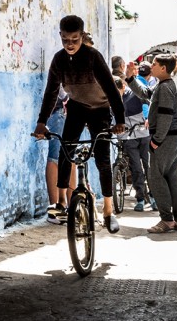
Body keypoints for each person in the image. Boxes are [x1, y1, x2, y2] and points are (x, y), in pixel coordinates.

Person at [33, 15, 127, 234]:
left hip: (100, 109)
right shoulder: (58, 60)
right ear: (60, 36)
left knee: (103, 158)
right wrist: (41, 122)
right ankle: (62, 203)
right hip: (76, 106)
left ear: (82, 36)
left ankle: (108, 211)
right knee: (66, 148)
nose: (70, 44)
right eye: (65, 39)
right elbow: (51, 92)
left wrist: (120, 120)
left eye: (74, 39)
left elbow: (112, 91)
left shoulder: (93, 57)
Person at [144, 54, 177, 233]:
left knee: (155, 177)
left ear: (163, 68)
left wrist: (157, 140)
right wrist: (131, 79)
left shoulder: (165, 87)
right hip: (172, 137)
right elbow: (147, 95)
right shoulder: (162, 86)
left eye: (154, 64)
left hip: (166, 137)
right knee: (171, 177)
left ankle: (166, 219)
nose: (151, 67)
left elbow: (165, 115)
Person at [114, 76, 153, 212]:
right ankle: (140, 198)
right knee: (136, 168)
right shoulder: (112, 100)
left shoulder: (134, 95)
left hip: (144, 134)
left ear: (123, 87)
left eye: (116, 91)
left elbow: (149, 102)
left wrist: (148, 118)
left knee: (148, 166)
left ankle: (153, 196)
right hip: (128, 137)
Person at [44, 86, 75, 224]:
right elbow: (61, 86)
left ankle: (71, 207)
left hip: (65, 110)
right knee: (56, 159)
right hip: (59, 109)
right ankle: (57, 209)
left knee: (70, 158)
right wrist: (68, 98)